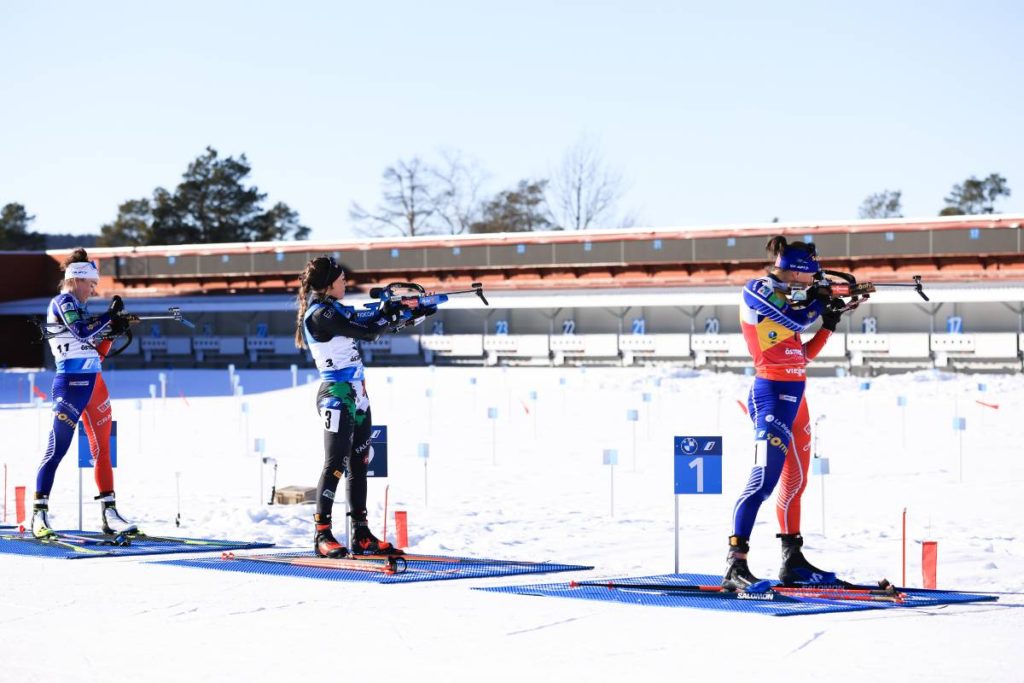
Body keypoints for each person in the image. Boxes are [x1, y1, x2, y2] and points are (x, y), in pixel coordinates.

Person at [723, 236, 845, 590]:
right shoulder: (758, 290)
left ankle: (793, 561)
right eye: (812, 274)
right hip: (771, 397)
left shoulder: (791, 301)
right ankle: (736, 564)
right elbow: (795, 319)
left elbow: (800, 357)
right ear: (796, 271)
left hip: (796, 398)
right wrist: (819, 303)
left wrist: (828, 323)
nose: (814, 280)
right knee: (762, 482)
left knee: (796, 482)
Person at [295, 256, 435, 558]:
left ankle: (361, 534)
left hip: (357, 394)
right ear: (328, 284)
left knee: (360, 463)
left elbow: (368, 321)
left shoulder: (335, 309)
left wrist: (407, 314)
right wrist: (390, 317)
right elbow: (368, 332)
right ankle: (322, 534)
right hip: (337, 394)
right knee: (335, 464)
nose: (346, 281)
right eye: (341, 278)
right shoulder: (320, 314)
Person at [32, 248, 137, 539]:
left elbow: (95, 355)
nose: (93, 290)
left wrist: (113, 331)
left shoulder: (80, 308)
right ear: (77, 279)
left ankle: (110, 513)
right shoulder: (63, 302)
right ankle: (39, 513)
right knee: (58, 449)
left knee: (103, 450)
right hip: (71, 386)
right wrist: (109, 317)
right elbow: (80, 331)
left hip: (95, 386)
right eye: (91, 284)